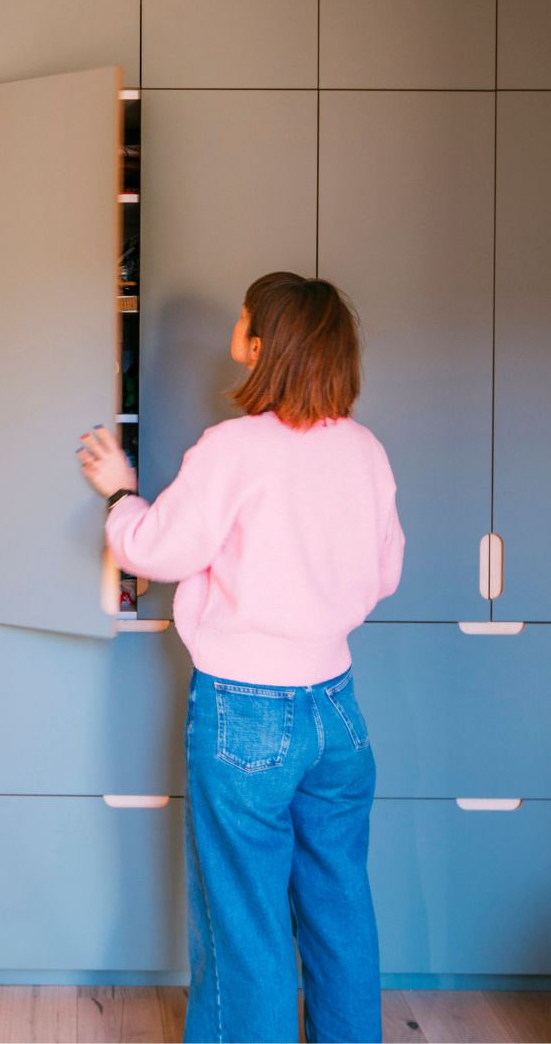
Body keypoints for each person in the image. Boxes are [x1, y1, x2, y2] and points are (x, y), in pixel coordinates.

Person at [77, 272, 404, 1043]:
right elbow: (384, 572)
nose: (237, 324)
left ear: (262, 345)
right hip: (336, 710)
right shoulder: (364, 450)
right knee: (340, 909)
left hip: (245, 713)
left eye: (246, 317)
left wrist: (120, 493)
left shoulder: (232, 449)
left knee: (244, 921)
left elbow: (157, 548)